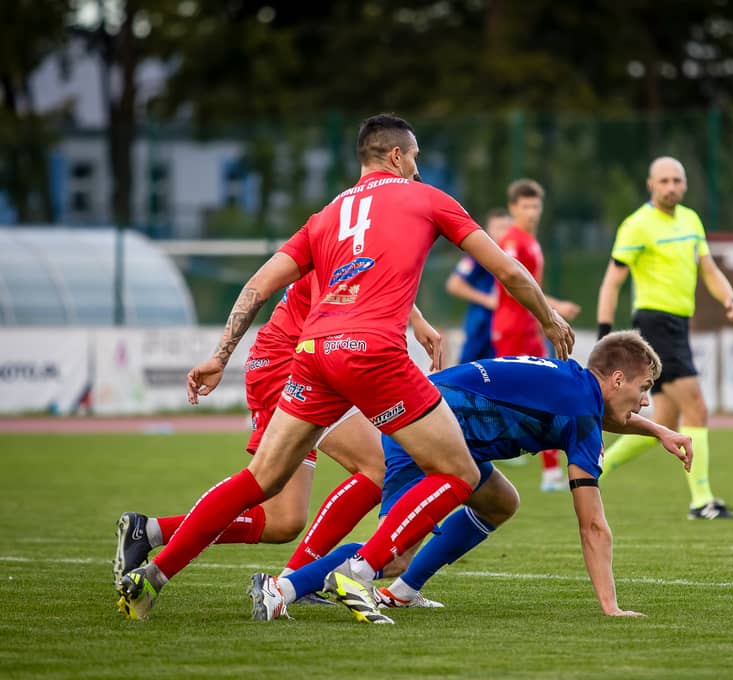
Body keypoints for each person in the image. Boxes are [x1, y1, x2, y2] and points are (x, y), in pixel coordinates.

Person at [115, 113, 573, 622]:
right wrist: (548, 317)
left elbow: (258, 286)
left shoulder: (327, 215)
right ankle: (359, 572)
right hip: (373, 354)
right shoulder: (427, 198)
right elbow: (507, 270)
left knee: (261, 479)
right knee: (459, 472)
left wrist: (220, 355)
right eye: (414, 158)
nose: (417, 168)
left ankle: (153, 576)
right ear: (396, 156)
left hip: (313, 353)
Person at [248, 331, 692, 621]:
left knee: (500, 500)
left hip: (433, 421)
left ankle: (403, 592)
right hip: (423, 428)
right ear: (617, 379)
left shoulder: (577, 387)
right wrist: (611, 607)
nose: (646, 401)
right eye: (644, 389)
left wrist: (658, 431)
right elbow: (592, 524)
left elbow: (601, 415)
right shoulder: (580, 410)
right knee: (393, 554)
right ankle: (282, 589)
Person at [111, 271, 443, 590]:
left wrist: (415, 318)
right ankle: (292, 584)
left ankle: (149, 531)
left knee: (284, 521)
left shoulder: (359, 246)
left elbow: (374, 276)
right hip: (290, 363)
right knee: (377, 466)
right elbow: (293, 293)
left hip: (290, 360)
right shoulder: (340, 246)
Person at [596, 156, 733, 520]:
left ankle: (597, 466)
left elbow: (708, 269)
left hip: (678, 324)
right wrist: (604, 333)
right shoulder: (636, 225)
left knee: (664, 417)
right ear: (651, 185)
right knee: (697, 407)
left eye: (677, 180)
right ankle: (701, 501)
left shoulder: (691, 220)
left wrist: (730, 299)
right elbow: (612, 281)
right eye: (663, 181)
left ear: (685, 184)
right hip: (655, 324)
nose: (671, 187)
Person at [490, 179, 582, 492]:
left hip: (530, 328)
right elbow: (513, 286)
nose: (531, 212)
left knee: (539, 396)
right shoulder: (512, 242)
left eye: (535, 206)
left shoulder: (530, 241)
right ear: (513, 208)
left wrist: (551, 309)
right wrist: (553, 309)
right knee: (527, 397)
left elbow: (533, 289)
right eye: (525, 206)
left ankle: (550, 470)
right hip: (513, 329)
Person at [444, 208, 512, 364]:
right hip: (481, 326)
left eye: (507, 228)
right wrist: (488, 300)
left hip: (507, 327)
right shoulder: (480, 255)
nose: (504, 233)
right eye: (499, 228)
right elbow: (454, 284)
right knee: (470, 370)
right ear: (488, 230)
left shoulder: (514, 256)